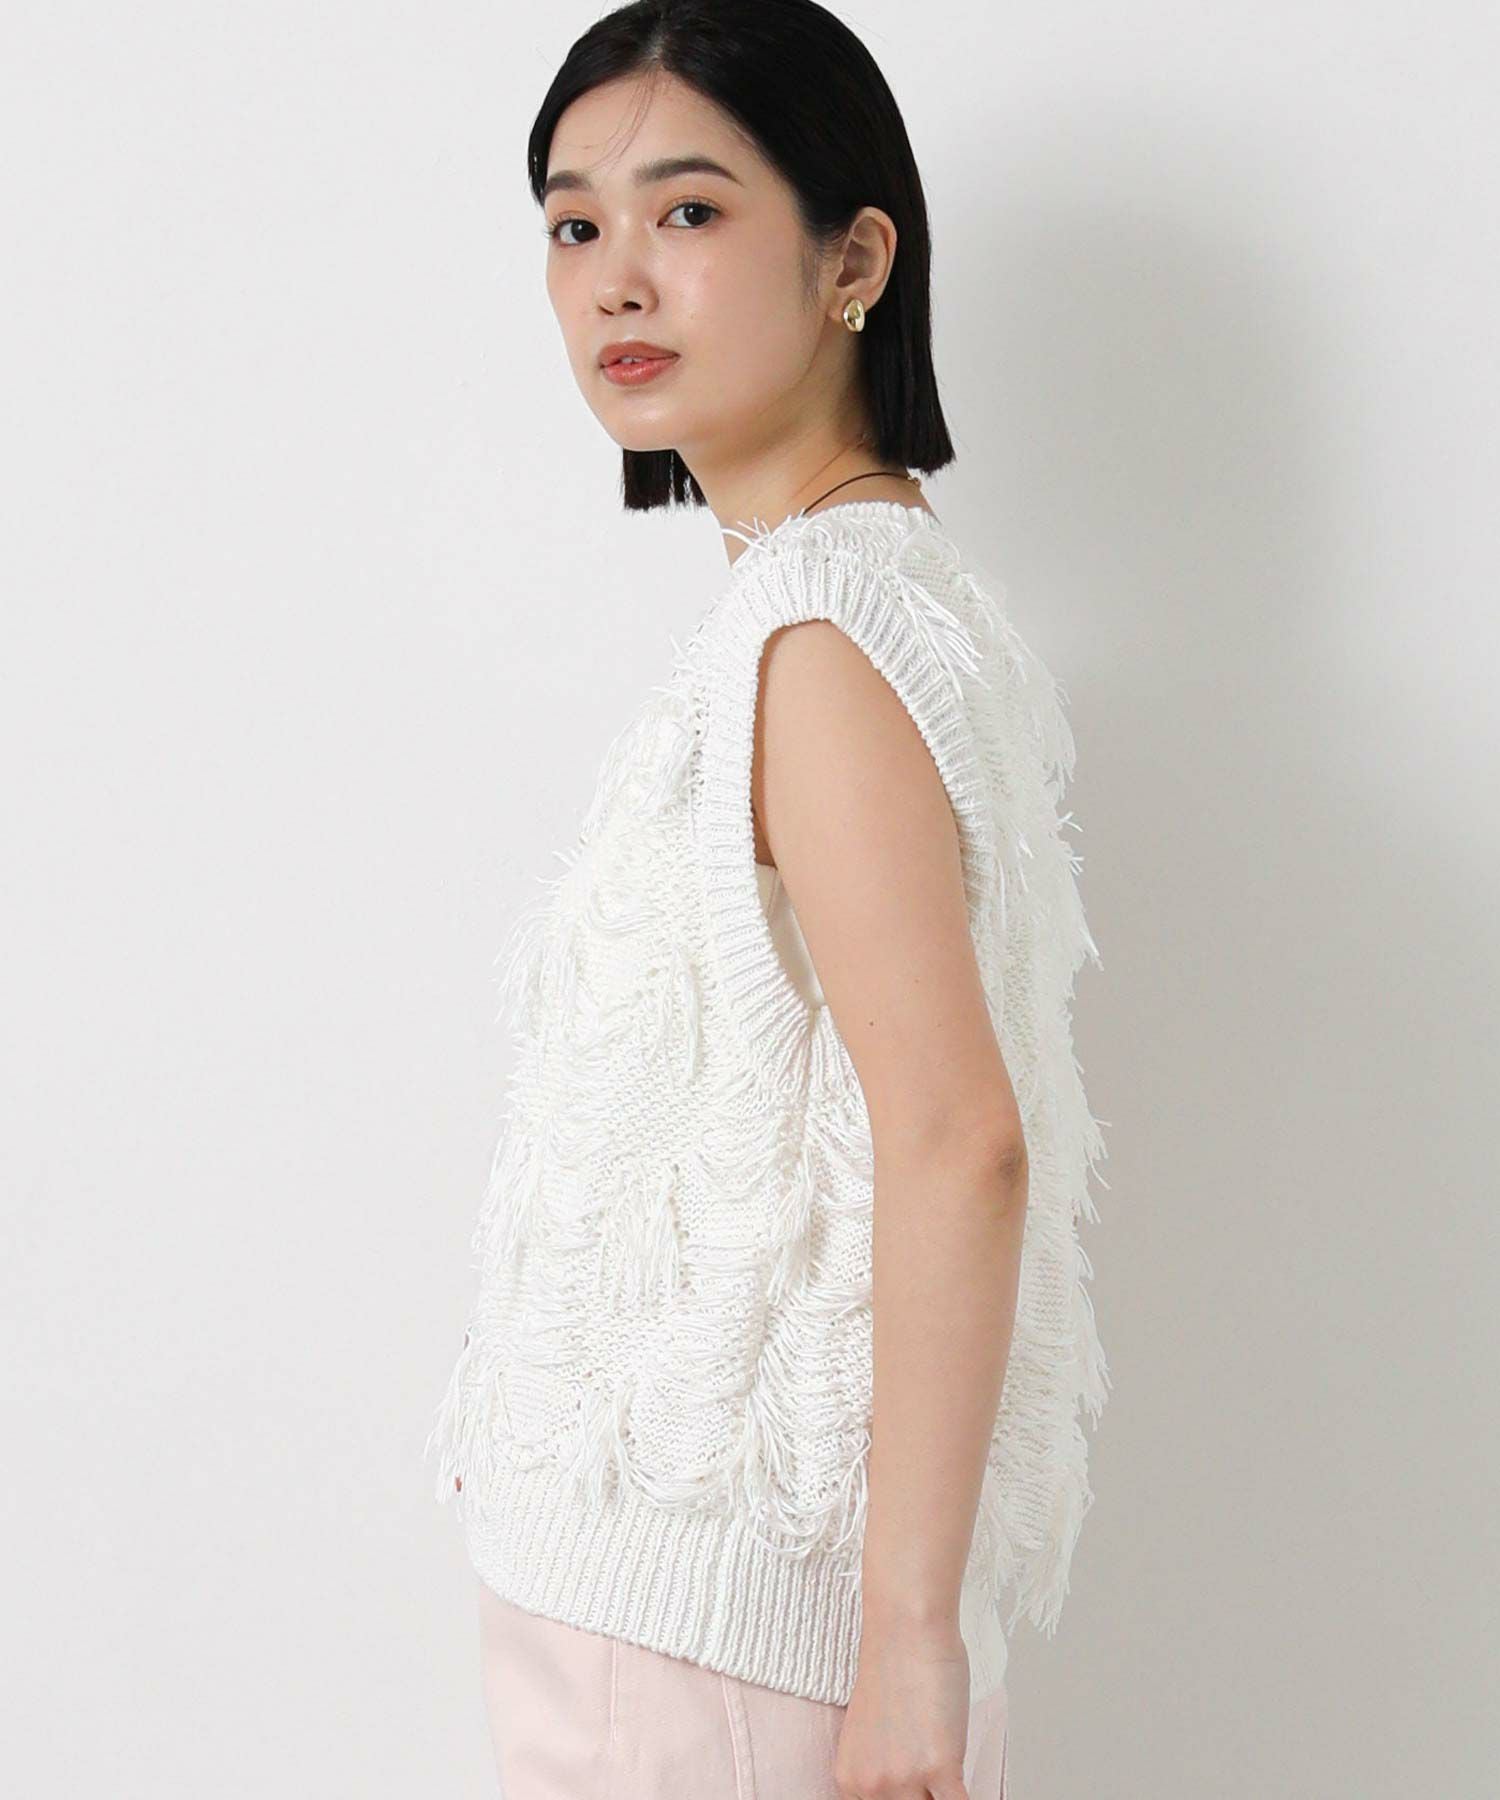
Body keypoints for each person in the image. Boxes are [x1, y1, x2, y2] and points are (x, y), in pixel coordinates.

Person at [426, 3, 1111, 1795]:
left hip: (714, 1646)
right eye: (572, 224)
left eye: (689, 210)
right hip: (693, 1623)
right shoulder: (872, 602)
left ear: (853, 260)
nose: (615, 278)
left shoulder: (819, 634)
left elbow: (960, 1138)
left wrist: (907, 1643)